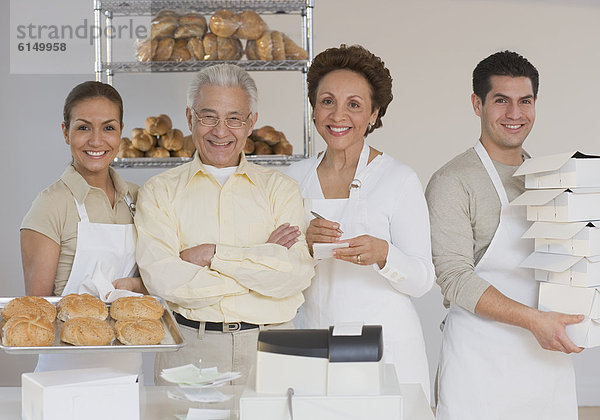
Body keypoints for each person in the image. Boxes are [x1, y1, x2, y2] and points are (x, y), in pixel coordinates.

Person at [426, 51, 582, 420]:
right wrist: (533, 321)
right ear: (477, 104)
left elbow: (566, 262)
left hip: (548, 360)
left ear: (535, 104)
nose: (515, 114)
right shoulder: (452, 181)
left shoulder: (549, 180)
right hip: (480, 366)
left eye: (524, 101)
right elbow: (454, 278)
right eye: (501, 101)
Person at [134, 64, 315, 385]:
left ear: (251, 123)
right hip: (190, 349)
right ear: (190, 119)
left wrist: (211, 255)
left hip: (274, 349)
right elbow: (165, 280)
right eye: (208, 117)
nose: (221, 131)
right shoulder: (159, 190)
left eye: (234, 118)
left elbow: (295, 275)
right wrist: (261, 261)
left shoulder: (281, 188)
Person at [285, 45, 435, 401]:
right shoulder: (292, 180)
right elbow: (274, 267)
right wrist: (302, 246)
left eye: (354, 104)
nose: (338, 115)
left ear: (373, 113)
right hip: (314, 343)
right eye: (327, 101)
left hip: (386, 349)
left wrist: (384, 254)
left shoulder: (398, 179)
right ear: (314, 108)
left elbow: (423, 279)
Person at [21, 81, 145, 372]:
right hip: (65, 367)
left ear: (121, 131)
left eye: (109, 128)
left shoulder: (138, 199)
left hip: (127, 363)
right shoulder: (50, 205)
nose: (97, 140)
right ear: (65, 132)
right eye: (83, 127)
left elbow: (159, 277)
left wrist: (136, 286)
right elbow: (37, 309)